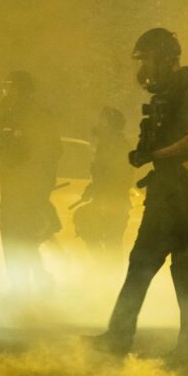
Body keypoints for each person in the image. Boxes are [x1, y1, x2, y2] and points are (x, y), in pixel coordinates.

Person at [87, 28, 188, 361]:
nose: (145, 68)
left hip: (179, 195)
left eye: (149, 59)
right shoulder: (167, 93)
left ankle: (122, 338)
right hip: (167, 192)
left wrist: (154, 155)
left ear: (167, 58)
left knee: (153, 265)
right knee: (176, 270)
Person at [0, 71, 62, 296]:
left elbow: (52, 152)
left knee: (23, 235)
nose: (6, 91)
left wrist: (42, 187)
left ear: (22, 89)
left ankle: (27, 285)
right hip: (12, 186)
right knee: (11, 234)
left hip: (29, 188)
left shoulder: (39, 116)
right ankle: (24, 283)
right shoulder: (7, 115)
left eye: (10, 86)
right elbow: (0, 148)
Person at [73, 106, 130, 261]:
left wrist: (94, 189)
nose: (99, 123)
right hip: (105, 200)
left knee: (111, 242)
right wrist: (92, 189)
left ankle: (109, 275)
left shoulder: (116, 145)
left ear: (110, 124)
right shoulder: (106, 144)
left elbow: (113, 175)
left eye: (103, 120)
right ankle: (103, 269)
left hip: (113, 202)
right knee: (90, 229)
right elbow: (100, 174)